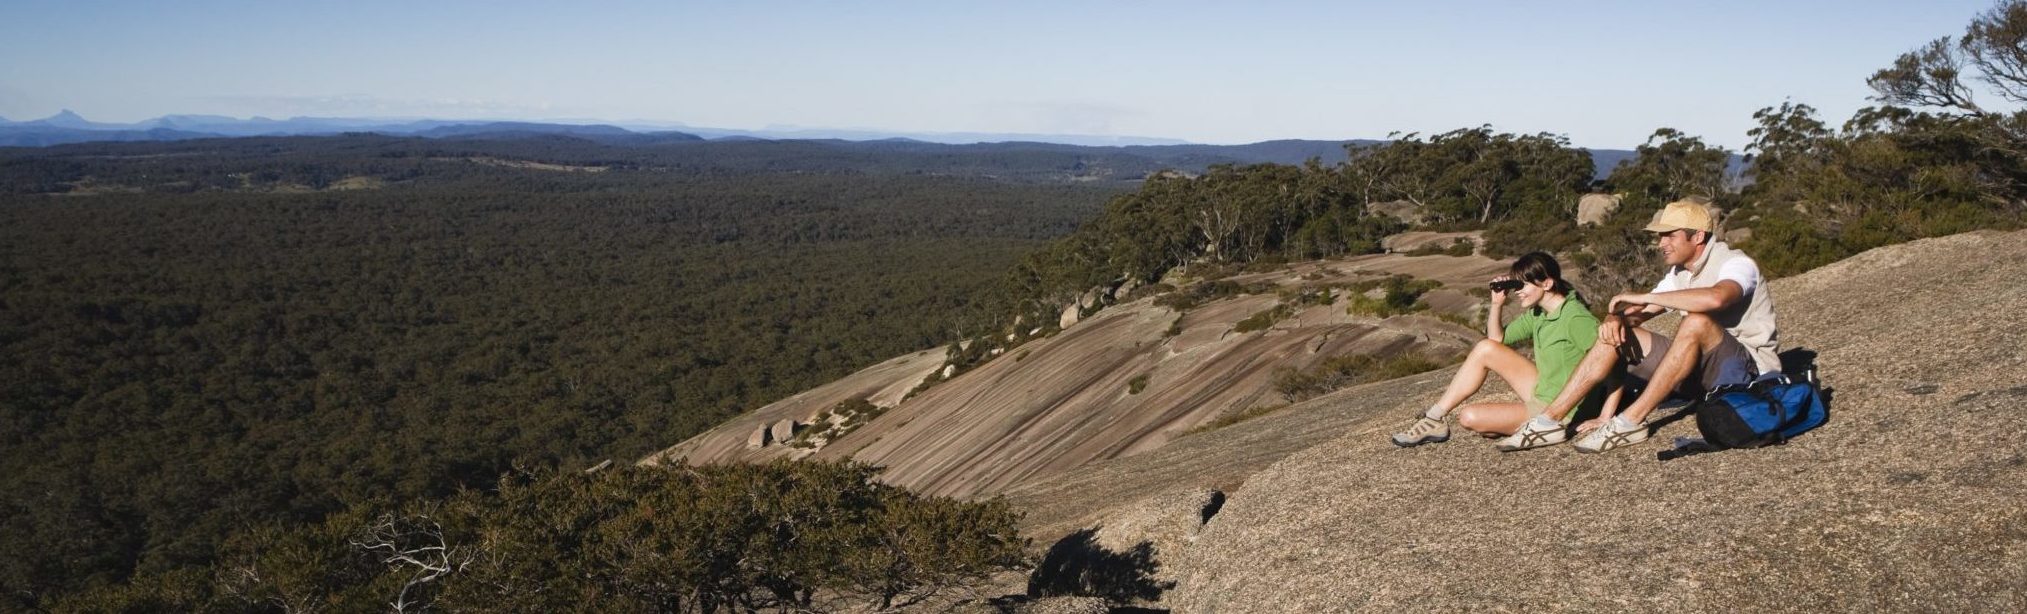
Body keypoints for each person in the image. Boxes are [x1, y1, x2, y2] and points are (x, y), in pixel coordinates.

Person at [1496, 197, 1780, 453]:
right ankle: (1550, 421)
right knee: (1618, 333)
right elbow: (1639, 312)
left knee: (1696, 322)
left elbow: (1718, 298)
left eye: (1669, 235)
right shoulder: (1678, 273)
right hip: (1701, 373)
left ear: (1698, 237)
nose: (1661, 243)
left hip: (1748, 370)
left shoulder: (1736, 263)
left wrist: (1646, 296)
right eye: (1660, 236)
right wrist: (1616, 318)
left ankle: (1630, 422)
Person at [1391, 251, 1609, 446]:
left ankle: (1531, 423)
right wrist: (1497, 304)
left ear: (1547, 284)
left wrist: (1605, 415)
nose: (1517, 292)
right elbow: (1496, 339)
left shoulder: (1576, 318)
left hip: (1564, 407)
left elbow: (1611, 359)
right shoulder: (1539, 313)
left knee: (1469, 417)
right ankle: (1434, 417)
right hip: (1544, 388)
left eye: (1522, 285)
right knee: (1485, 348)